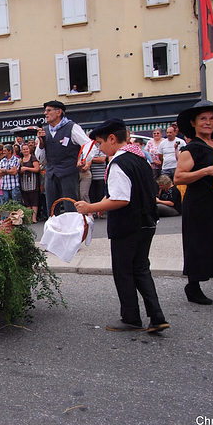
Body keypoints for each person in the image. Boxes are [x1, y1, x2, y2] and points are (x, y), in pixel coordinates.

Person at [75, 119, 169, 333]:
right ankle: (157, 315)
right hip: (147, 222)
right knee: (141, 269)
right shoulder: (140, 159)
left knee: (124, 271)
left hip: (127, 225)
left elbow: (121, 199)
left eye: (99, 143)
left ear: (112, 138)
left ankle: (131, 317)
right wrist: (102, 203)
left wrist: (91, 206)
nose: (99, 148)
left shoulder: (118, 162)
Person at [174, 100, 213, 308]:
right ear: (194, 123)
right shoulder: (191, 148)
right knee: (199, 244)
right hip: (200, 204)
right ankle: (193, 287)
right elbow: (178, 178)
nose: (208, 122)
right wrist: (206, 171)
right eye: (203, 118)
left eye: (211, 118)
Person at [35, 100, 92, 214]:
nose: (45, 113)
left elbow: (88, 145)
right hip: (51, 173)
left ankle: (73, 230)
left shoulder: (72, 127)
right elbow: (40, 158)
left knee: (71, 205)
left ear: (59, 112)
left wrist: (83, 160)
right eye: (45, 111)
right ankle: (55, 230)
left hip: (68, 172)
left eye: (49, 110)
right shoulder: (44, 131)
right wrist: (41, 143)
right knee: (51, 207)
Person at [19, 144, 40, 222]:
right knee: (27, 201)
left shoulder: (33, 158)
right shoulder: (21, 160)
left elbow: (37, 169)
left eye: (26, 149)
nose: (25, 151)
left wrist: (27, 168)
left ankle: (34, 217)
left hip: (33, 182)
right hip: (24, 183)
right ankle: (29, 217)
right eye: (24, 149)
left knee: (34, 200)